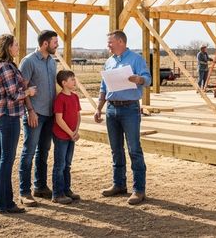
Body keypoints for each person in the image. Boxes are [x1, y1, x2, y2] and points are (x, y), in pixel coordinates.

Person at [94, 30, 151, 205]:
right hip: (111, 110)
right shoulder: (109, 62)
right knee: (115, 149)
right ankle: (118, 184)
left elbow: (148, 80)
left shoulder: (136, 59)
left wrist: (138, 79)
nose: (108, 45)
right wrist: (99, 109)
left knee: (134, 149)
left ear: (120, 41)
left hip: (130, 109)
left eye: (110, 42)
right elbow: (104, 88)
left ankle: (138, 189)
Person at [0, 34, 37, 214]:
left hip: (2, 116)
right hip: (9, 116)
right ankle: (5, 203)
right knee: (6, 160)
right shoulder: (7, 67)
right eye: (15, 44)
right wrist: (28, 91)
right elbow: (15, 94)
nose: (18, 47)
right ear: (8, 47)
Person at [18, 30, 59, 207]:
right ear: (45, 44)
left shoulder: (52, 62)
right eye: (55, 42)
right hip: (35, 114)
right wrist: (30, 111)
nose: (57, 45)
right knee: (28, 153)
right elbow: (23, 88)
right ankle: (24, 192)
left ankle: (40, 186)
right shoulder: (28, 62)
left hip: (49, 114)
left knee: (43, 152)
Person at [51, 70, 82, 204]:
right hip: (61, 136)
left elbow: (78, 115)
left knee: (67, 164)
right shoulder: (60, 98)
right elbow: (59, 120)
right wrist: (71, 133)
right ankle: (57, 194)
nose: (74, 81)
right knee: (60, 165)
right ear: (64, 83)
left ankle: (66, 190)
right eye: (72, 79)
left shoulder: (75, 97)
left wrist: (76, 131)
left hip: (71, 136)